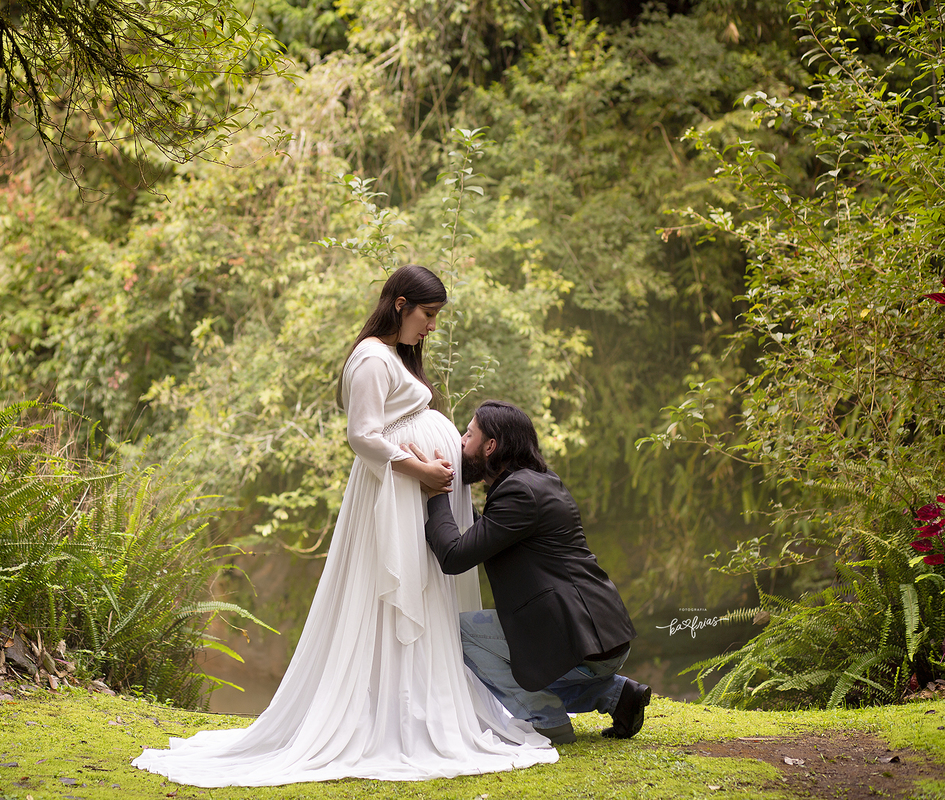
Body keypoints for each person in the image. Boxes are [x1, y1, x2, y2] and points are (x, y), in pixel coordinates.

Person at [131, 266, 558, 786]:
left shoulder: (394, 356)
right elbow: (363, 436)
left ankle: (419, 705)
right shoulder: (370, 359)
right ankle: (393, 716)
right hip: (397, 489)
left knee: (422, 593)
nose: (431, 328)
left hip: (409, 491)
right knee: (394, 594)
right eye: (428, 315)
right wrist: (419, 467)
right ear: (400, 304)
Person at [410, 400, 649, 744]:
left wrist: (435, 494)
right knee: (525, 667)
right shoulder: (539, 483)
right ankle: (616, 695)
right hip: (601, 638)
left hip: (580, 642)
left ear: (491, 446)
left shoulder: (518, 492)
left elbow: (455, 557)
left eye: (469, 433)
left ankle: (547, 718)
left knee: (456, 633)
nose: (461, 441)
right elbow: (485, 536)